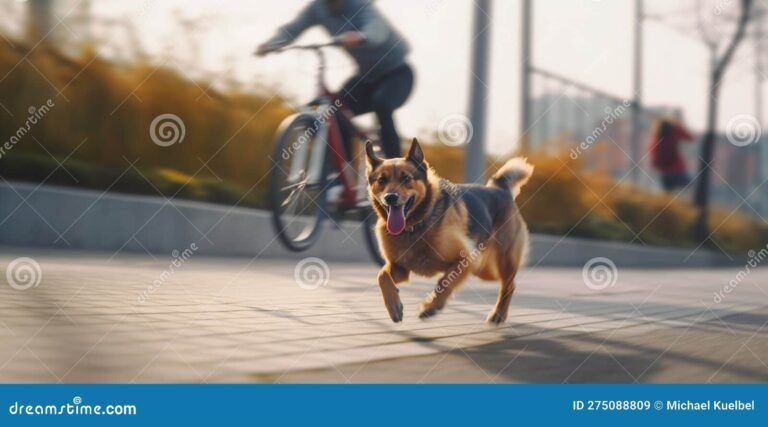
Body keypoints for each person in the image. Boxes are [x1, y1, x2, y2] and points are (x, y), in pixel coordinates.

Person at [256, 0, 414, 159]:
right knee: (330, 110)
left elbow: (378, 31)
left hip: (397, 74)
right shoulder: (317, 8)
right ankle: (342, 171)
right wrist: (271, 44)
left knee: (382, 104)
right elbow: (292, 29)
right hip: (366, 78)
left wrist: (361, 37)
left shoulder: (359, 5)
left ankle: (396, 167)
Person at [649, 117, 695, 191]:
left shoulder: (656, 135)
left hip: (663, 171)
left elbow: (652, 152)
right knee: (691, 189)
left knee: (668, 195)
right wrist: (679, 126)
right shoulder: (675, 131)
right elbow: (691, 137)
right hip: (677, 169)